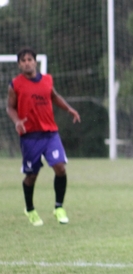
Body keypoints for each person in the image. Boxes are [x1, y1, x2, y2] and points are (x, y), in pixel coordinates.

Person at [6, 47, 81, 226]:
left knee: (60, 168)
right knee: (32, 175)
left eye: (29, 59)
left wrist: (69, 108)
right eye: (23, 61)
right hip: (30, 136)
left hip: (50, 134)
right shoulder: (15, 84)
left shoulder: (47, 80)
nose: (27, 63)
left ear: (35, 61)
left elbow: (54, 96)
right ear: (19, 65)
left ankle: (58, 207)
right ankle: (30, 209)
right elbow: (10, 107)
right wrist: (17, 121)